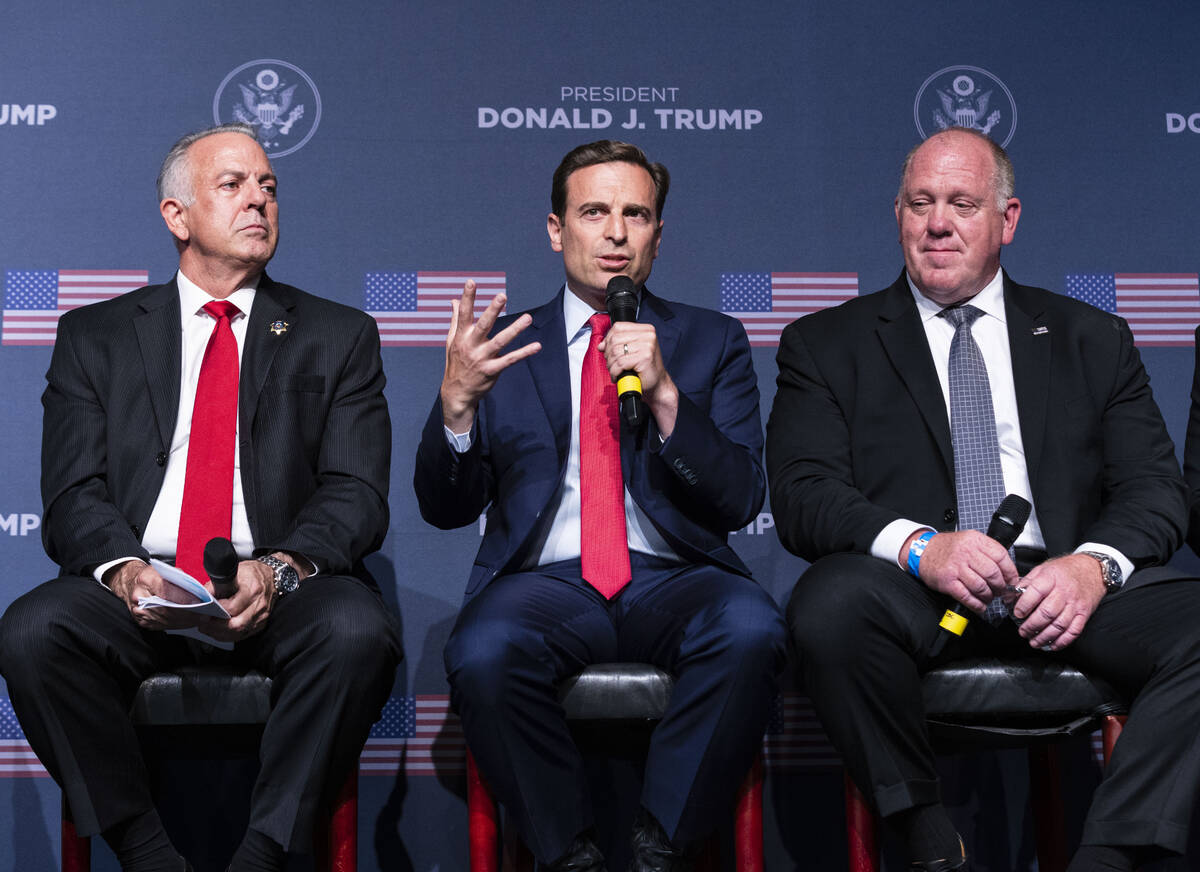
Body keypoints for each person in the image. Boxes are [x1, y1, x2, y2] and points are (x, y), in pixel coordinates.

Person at [766, 126, 1200, 872]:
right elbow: (804, 495)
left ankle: (1113, 858)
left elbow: (1157, 489)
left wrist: (1091, 567)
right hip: (915, 592)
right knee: (828, 605)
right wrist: (921, 547)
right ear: (897, 214)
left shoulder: (1090, 337)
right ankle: (927, 836)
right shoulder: (824, 344)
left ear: (1007, 220)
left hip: (1062, 587)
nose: (938, 223)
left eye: (962, 204)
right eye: (920, 203)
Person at [0, 123, 401, 872]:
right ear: (176, 216)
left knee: (355, 630)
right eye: (234, 185)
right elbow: (72, 492)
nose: (259, 200)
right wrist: (124, 570)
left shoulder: (338, 334)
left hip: (275, 586)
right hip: (142, 588)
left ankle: (263, 853)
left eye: (269, 187)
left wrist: (279, 570)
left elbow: (355, 494)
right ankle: (147, 853)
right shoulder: (95, 335)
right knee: (34, 630)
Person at [414, 140, 786, 872]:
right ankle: (568, 854)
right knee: (483, 650)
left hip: (676, 576)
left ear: (656, 235)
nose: (615, 233)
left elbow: (741, 496)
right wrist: (455, 407)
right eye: (594, 212)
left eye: (635, 214)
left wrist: (669, 395)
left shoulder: (711, 340)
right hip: (544, 582)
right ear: (557, 229)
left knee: (751, 628)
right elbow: (444, 509)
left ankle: (660, 846)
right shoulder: (503, 346)